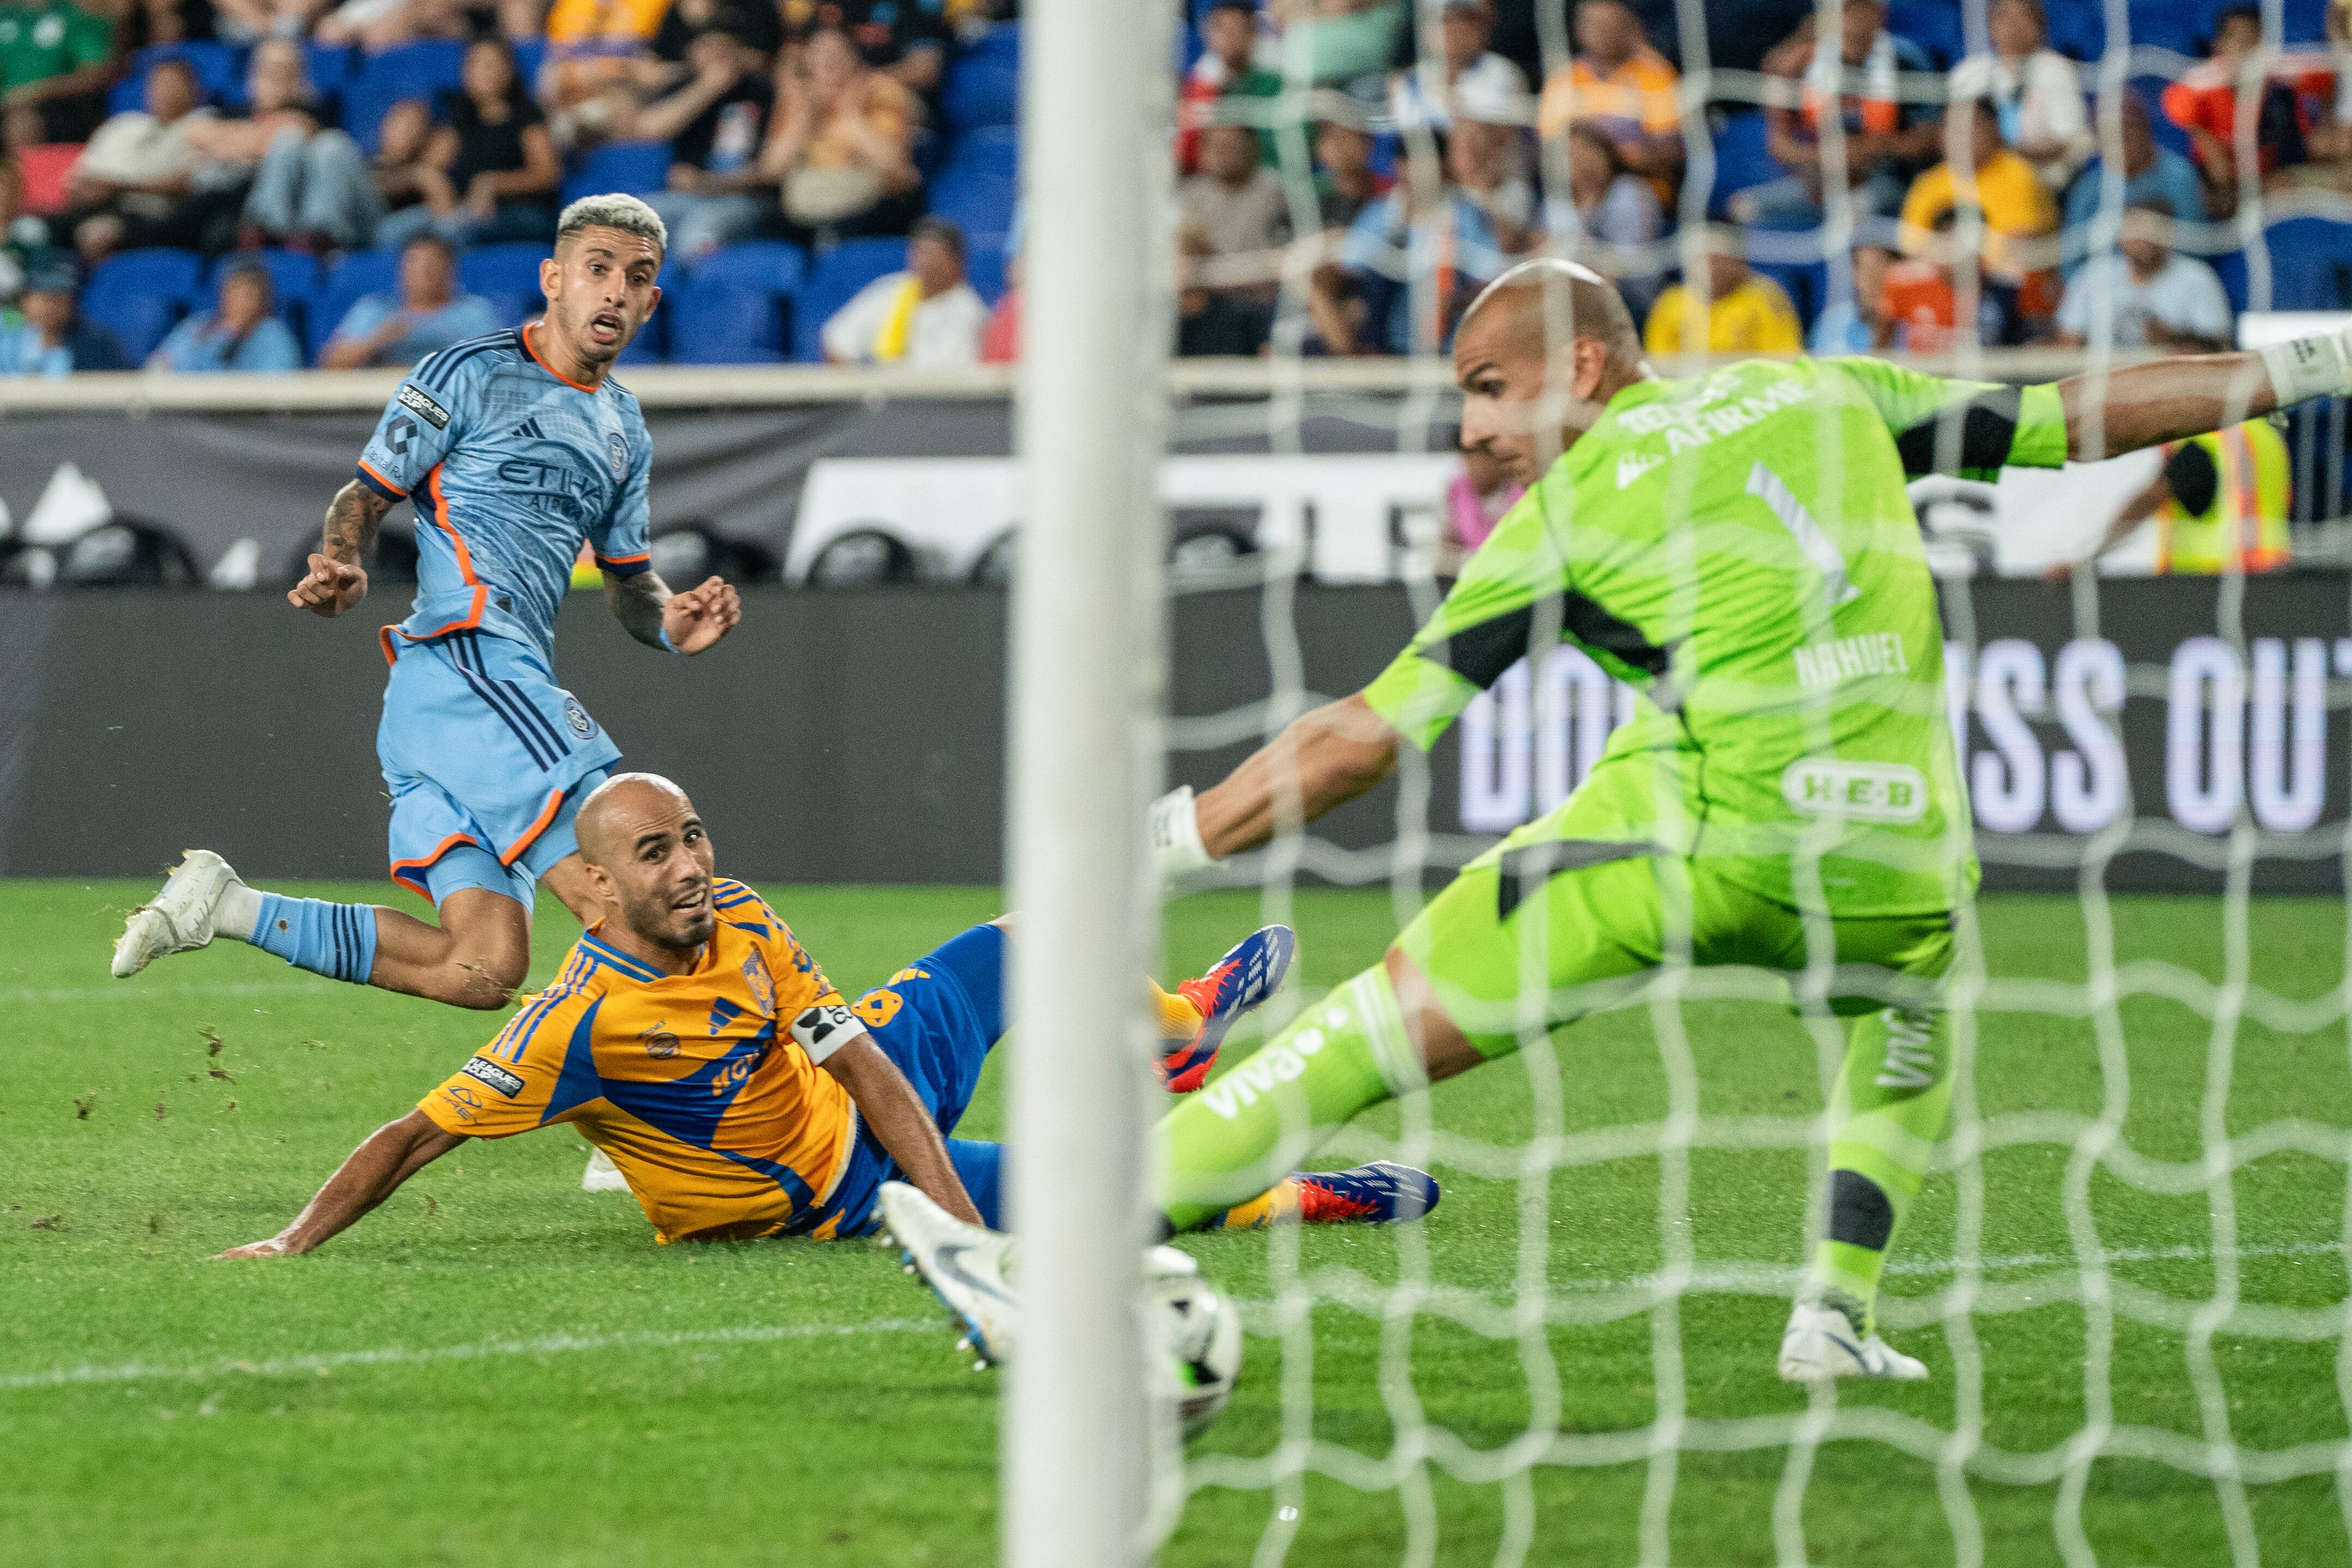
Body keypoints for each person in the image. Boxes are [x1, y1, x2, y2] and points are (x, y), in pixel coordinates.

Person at [891, 256, 2352, 1381]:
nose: (1474, 433)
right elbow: (2082, 417)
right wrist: (2322, 356)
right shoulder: (1835, 390)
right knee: (1907, 1012)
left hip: (1694, 848)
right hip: (1900, 859)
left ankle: (1053, 1268)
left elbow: (1362, 741)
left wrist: (1154, 849)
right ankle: (1836, 1315)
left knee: (1362, 1034)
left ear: (1583, 364)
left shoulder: (1569, 513)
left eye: (1488, 388)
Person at [213, 774, 1438, 1255]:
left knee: (1036, 934)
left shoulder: (742, 916)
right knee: (1118, 1193)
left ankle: (1177, 1032)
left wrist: (954, 1218)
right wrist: (291, 1241)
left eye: (695, 835)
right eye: (656, 853)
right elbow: (412, 1136)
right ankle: (1292, 1195)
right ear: (599, 887)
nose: (691, 865)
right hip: (834, 1193)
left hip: (857, 1104)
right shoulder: (572, 1028)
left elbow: (855, 1060)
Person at [112, 196, 745, 1019]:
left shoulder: (623, 425)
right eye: (598, 269)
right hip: (470, 663)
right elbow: (365, 494)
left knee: (479, 967)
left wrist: (670, 622)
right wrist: (342, 561)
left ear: (653, 301)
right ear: (555, 278)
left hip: (451, 698)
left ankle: (226, 905)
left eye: (637, 277)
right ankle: (633, 1107)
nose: (615, 291)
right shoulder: (466, 372)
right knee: (629, 902)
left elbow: (629, 582)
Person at [1309, 123, 1517, 356]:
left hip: (1444, 327)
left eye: (1422, 160)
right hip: (1381, 325)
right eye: (1405, 159)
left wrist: (1449, 294)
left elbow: (1488, 274)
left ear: (1441, 165)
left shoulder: (1463, 214)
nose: (1412, 169)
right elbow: (1350, 267)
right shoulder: (1381, 212)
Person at [1739, 0, 1941, 227]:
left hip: (1885, 179)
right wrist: (1828, 156)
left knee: (1855, 216)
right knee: (1744, 207)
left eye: (1862, 9)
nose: (1854, 21)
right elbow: (1779, 146)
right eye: (1846, 10)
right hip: (1817, 183)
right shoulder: (1799, 63)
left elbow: (1933, 139)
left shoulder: (1906, 60)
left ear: (1879, 13)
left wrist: (1874, 148)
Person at [374, 36, 562, 250]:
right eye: (476, 64)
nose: (485, 72)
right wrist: (430, 181)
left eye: (492, 64)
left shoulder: (526, 116)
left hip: (521, 211)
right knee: (390, 232)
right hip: (466, 211)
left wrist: (494, 183)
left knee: (456, 231)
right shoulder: (460, 119)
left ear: (510, 71)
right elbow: (431, 166)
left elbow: (547, 174)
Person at [2047, 416, 2290, 579]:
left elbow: (2150, 499)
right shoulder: (2264, 435)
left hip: (2211, 580)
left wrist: (2089, 558)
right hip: (2275, 575)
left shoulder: (2206, 437)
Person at [759, 24, 921, 241]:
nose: (828, 60)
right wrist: (804, 118)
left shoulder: (881, 90)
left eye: (836, 52)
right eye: (819, 52)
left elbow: (896, 167)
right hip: (809, 204)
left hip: (872, 204)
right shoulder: (799, 98)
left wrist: (851, 116)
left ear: (854, 57)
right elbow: (772, 169)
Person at [637, 23, 778, 260]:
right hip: (687, 197)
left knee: (696, 233)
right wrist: (708, 88)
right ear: (692, 54)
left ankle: (702, 284)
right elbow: (649, 130)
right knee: (625, 222)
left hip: (743, 199)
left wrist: (709, 182)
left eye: (724, 46)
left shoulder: (763, 91)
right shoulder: (686, 89)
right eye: (707, 47)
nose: (717, 54)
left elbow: (770, 171)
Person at [55, 56, 213, 262]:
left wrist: (116, 187)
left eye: (172, 84)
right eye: (157, 84)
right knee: (31, 230)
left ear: (194, 89)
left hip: (151, 216)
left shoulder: (205, 126)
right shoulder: (121, 124)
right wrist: (85, 189)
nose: (164, 91)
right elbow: (77, 180)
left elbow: (190, 183)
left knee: (97, 235)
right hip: (90, 208)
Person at [1895, 96, 2058, 290]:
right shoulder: (1929, 183)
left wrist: (1956, 256)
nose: (1960, 135)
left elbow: (2019, 247)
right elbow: (1910, 251)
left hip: (2007, 291)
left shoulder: (2019, 174)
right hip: (1940, 288)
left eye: (1970, 126)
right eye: (1951, 126)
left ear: (1994, 129)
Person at [232, 38, 380, 251]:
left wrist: (234, 144)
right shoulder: (229, 110)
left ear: (303, 77)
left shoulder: (323, 110)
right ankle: (273, 240)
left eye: (288, 72)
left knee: (327, 144)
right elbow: (197, 132)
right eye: (270, 71)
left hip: (354, 221)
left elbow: (299, 129)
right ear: (251, 75)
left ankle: (318, 239)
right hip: (281, 224)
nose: (278, 79)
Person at [1534, 0, 1682, 198]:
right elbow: (1546, 148)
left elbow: (1669, 152)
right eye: (1593, 23)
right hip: (1573, 194)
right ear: (1578, 28)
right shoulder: (1564, 78)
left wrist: (1606, 157)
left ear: (1631, 26)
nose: (1601, 32)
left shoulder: (1655, 74)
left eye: (1609, 24)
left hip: (1636, 189)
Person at [2054, 197, 2233, 353]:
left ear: (2170, 233)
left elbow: (2221, 343)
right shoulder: (2095, 274)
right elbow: (2069, 337)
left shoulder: (2196, 277)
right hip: (2105, 376)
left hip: (2170, 377)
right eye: (2134, 229)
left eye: (2151, 230)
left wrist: (2173, 337)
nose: (2142, 240)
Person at [1947, 0, 2090, 191]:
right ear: (1990, 26)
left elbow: (2067, 141)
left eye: (2023, 16)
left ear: (2040, 27)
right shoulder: (1969, 72)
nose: (2014, 26)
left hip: (2046, 184)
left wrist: (2005, 153)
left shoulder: (2056, 70)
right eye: (2004, 17)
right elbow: (1955, 135)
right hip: (1979, 182)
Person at [1175, 119, 1290, 347]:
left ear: (1252, 147)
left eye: (1230, 145)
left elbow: (1278, 266)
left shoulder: (1274, 194)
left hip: (1248, 303)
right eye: (1213, 145)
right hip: (1197, 296)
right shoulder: (1188, 195)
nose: (1220, 152)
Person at [819, 214, 986, 366]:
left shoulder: (969, 310)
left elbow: (955, 378)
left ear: (957, 262)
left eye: (933, 254)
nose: (925, 261)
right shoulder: (890, 291)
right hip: (884, 388)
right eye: (920, 252)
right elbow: (836, 342)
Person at [318, 231, 502, 370]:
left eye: (432, 264)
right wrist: (376, 341)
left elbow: (496, 367)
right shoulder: (374, 309)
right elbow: (330, 364)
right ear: (401, 270)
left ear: (451, 270)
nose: (424, 272)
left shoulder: (474, 312)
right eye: (415, 263)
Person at [2062, 91, 2209, 263]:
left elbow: (2196, 248)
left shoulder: (2180, 175)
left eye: (2128, 134)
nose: (2120, 146)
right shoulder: (2088, 191)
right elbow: (2073, 261)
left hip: (2173, 273)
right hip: (2109, 277)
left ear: (2146, 129)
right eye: (2110, 138)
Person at [1641, 226, 1803, 354]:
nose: (1709, 269)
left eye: (1717, 261)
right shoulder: (1672, 303)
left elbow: (1783, 357)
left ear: (1738, 263)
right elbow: (1658, 359)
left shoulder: (1765, 298)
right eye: (1699, 261)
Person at [1390, 0, 1529, 136]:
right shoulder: (1411, 80)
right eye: (1446, 21)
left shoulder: (1503, 73)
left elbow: (1491, 135)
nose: (1455, 29)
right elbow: (1403, 135)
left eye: (1466, 20)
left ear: (1482, 28)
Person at [1177, 0, 1281, 175]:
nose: (1228, 38)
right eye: (1220, 30)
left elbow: (1277, 149)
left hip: (1262, 178)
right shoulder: (1200, 86)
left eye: (1235, 30)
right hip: (1209, 179)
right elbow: (1187, 150)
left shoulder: (1273, 85)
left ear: (1252, 34)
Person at [147, 259, 302, 371]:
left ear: (264, 297)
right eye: (236, 290)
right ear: (223, 292)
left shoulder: (274, 335)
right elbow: (159, 367)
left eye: (250, 293)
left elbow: (277, 386)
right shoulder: (196, 326)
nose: (243, 300)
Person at [0, 0, 112, 147]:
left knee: (23, 123)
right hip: (8, 107)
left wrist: (31, 93)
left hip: (56, 108)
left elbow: (93, 76)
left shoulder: (75, 16)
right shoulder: (6, 15)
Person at [0, 253, 126, 371]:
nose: (52, 308)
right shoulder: (7, 336)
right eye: (46, 299)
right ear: (25, 298)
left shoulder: (97, 344)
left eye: (60, 299)